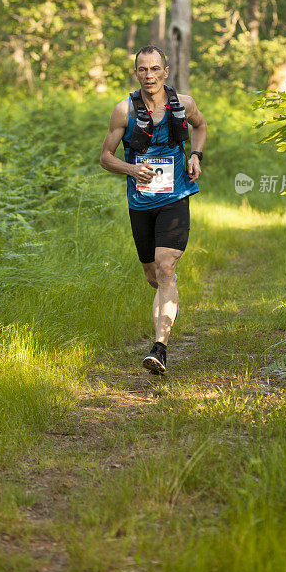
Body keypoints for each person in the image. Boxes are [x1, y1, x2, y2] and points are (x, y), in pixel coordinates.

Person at [99, 45, 207, 374]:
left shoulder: (183, 104)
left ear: (166, 71)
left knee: (166, 268)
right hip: (140, 203)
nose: (149, 76)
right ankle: (165, 299)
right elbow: (106, 157)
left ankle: (160, 348)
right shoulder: (124, 111)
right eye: (143, 70)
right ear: (136, 73)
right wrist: (131, 170)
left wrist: (195, 155)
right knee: (153, 275)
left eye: (155, 69)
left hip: (175, 196)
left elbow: (200, 127)